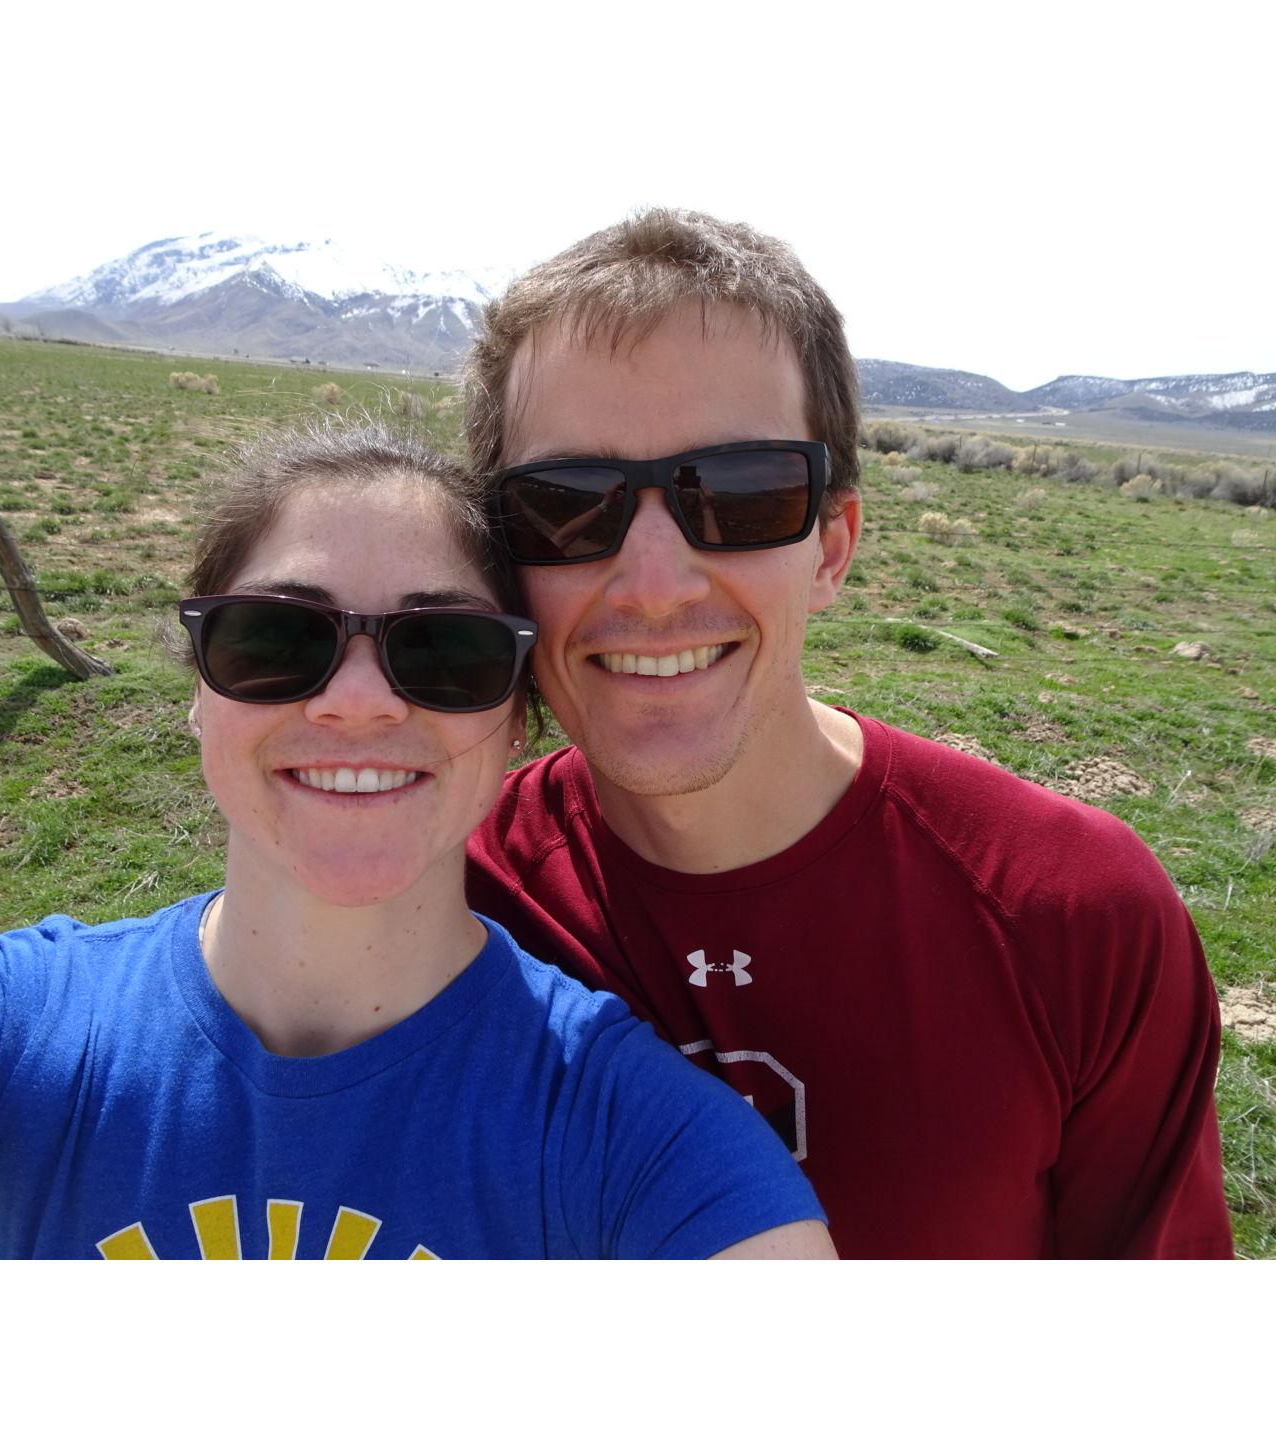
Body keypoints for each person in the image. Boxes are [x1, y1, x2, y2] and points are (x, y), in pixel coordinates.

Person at [0, 424, 833, 1261]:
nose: (357, 701)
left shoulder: (639, 1144)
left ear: (518, 722)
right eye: (276, 640)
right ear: (200, 688)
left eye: (443, 653)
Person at [464, 209, 1234, 1259]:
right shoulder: (444, 902)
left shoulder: (1073, 922)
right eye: (565, 507)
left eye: (739, 495)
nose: (651, 585)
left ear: (833, 546)